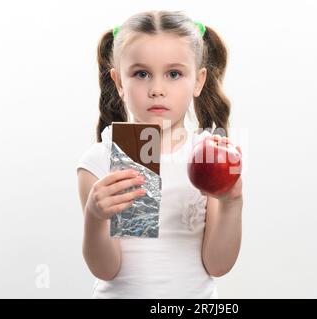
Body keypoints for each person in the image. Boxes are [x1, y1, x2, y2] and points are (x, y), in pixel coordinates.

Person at [76, 10, 243, 298]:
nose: (156, 89)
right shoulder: (100, 160)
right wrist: (95, 216)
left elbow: (217, 264)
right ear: (118, 82)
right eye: (141, 74)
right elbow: (106, 269)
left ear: (198, 81)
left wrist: (232, 203)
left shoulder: (207, 155)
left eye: (174, 74)